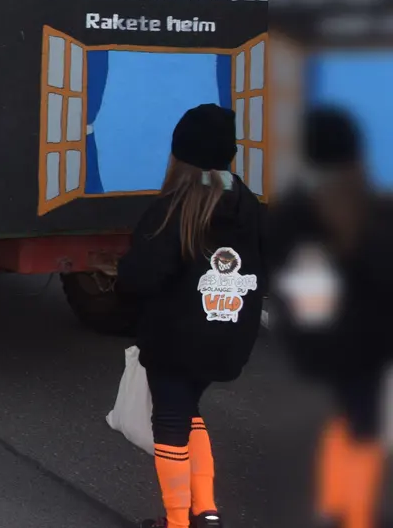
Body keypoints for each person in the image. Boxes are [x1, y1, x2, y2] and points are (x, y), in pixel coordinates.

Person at [116, 104, 265, 528]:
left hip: (174, 341)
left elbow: (139, 277)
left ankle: (178, 520)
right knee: (188, 409)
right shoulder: (248, 205)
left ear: (180, 154)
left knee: (169, 419)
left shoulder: (174, 208)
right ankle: (207, 512)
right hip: (229, 337)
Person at [269, 109, 393, 528]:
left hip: (327, 346)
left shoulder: (296, 215)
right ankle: (353, 513)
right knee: (362, 423)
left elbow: (298, 294)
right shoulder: (377, 207)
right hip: (374, 344)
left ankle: (337, 508)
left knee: (346, 418)